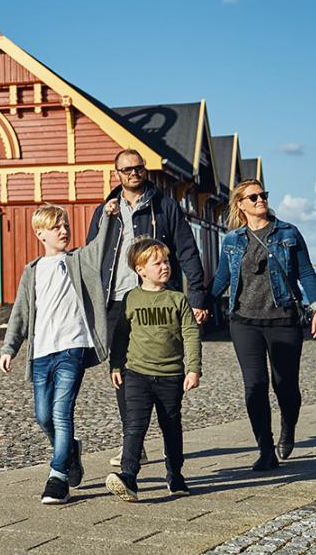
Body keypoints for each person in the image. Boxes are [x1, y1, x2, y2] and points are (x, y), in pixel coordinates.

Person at [87, 149, 208, 468]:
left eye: (138, 168)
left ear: (145, 170)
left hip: (157, 298)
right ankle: (134, 444)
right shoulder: (105, 210)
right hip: (116, 300)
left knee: (163, 366)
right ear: (117, 174)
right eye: (126, 170)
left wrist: (197, 296)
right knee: (122, 372)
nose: (133, 173)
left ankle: (171, 445)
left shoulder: (165, 205)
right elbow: (91, 256)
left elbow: (187, 251)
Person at [208, 180, 316, 471]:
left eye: (263, 195)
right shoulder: (232, 241)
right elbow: (222, 279)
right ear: (240, 204)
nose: (260, 200)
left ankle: (288, 429)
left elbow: (307, 272)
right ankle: (265, 449)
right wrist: (200, 304)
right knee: (255, 386)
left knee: (285, 385)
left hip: (283, 319)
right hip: (244, 322)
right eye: (253, 197)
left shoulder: (288, 233)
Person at [0, 202, 113, 504]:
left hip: (71, 349)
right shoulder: (32, 271)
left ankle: (57, 477)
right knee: (43, 416)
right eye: (56, 227)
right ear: (41, 234)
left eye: (65, 225)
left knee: (62, 413)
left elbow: (101, 242)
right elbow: (20, 312)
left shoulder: (79, 260)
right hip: (41, 353)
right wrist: (10, 347)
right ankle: (71, 451)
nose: (64, 230)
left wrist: (107, 216)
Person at [105, 237, 202, 502]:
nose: (164, 266)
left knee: (171, 426)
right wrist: (116, 365)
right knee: (134, 426)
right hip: (136, 374)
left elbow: (191, 335)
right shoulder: (131, 299)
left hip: (171, 376)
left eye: (166, 261)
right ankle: (128, 477)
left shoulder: (177, 299)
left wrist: (193, 368)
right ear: (140, 269)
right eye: (157, 262)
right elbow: (121, 336)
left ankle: (175, 475)